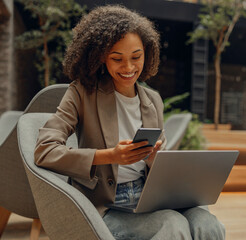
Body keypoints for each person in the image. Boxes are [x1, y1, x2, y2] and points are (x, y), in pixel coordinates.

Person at [34, 5, 225, 240]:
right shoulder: (82, 93)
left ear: (147, 52)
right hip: (106, 206)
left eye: (136, 57)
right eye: (117, 59)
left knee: (207, 223)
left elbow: (156, 161)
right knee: (172, 224)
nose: (128, 68)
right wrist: (110, 156)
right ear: (101, 57)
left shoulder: (152, 100)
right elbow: (44, 150)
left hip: (149, 196)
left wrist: (156, 159)